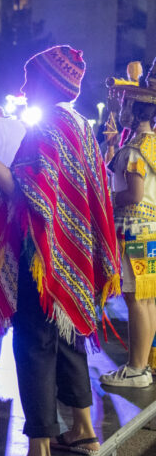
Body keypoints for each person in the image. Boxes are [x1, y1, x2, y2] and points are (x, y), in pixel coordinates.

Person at [0, 45, 120, 456]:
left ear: (50, 83)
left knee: (33, 346)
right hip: (74, 258)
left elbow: (27, 194)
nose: (25, 88)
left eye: (32, 79)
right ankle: (84, 432)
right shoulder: (80, 127)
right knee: (67, 337)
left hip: (42, 260)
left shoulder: (47, 127)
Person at [101, 64, 156, 388]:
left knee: (137, 299)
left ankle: (136, 368)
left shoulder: (137, 149)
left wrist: (108, 197)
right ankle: (143, 366)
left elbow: (133, 194)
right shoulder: (149, 143)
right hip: (150, 229)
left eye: (125, 104)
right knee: (147, 299)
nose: (121, 108)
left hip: (136, 229)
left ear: (135, 110)